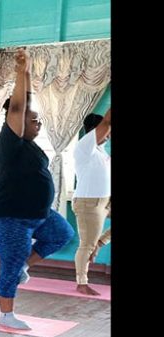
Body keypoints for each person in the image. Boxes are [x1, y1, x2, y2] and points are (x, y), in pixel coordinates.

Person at [0, 49, 74, 330]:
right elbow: (19, 107)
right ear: (17, 122)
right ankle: (6, 315)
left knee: (63, 234)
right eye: (34, 120)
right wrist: (23, 74)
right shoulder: (10, 142)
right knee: (10, 262)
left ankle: (25, 265)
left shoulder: (31, 146)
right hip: (10, 216)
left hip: (38, 213)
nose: (38, 123)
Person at [72, 107, 111, 295]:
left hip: (104, 201)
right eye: (107, 132)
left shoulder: (102, 152)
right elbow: (106, 123)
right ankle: (82, 283)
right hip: (89, 203)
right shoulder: (85, 146)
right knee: (86, 244)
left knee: (92, 244)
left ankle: (99, 243)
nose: (109, 135)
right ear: (93, 131)